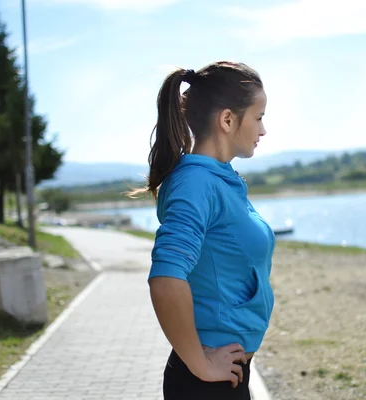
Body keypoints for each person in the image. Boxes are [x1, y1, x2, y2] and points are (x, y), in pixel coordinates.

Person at [130, 61, 275, 399]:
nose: (263, 130)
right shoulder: (196, 182)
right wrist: (200, 364)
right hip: (206, 382)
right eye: (259, 117)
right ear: (227, 119)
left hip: (226, 374)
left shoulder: (217, 179)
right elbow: (166, 278)